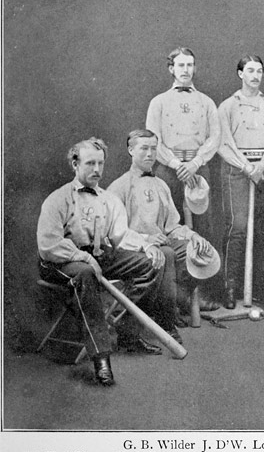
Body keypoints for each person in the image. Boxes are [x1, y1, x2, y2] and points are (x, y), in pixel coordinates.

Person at [37, 138, 176, 386]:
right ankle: (101, 358)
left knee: (151, 263)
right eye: (90, 163)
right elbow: (49, 246)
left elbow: (120, 236)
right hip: (60, 261)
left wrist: (147, 246)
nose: (97, 170)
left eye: (100, 163)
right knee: (86, 273)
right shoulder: (58, 199)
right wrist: (85, 257)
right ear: (74, 164)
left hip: (98, 256)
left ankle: (128, 332)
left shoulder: (108, 199)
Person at [107, 130, 220, 327]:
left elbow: (171, 226)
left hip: (162, 244)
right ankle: (163, 316)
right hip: (134, 248)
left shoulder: (161, 185)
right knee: (167, 253)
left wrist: (193, 236)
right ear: (130, 150)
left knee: (195, 250)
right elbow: (114, 233)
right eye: (144, 149)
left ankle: (174, 300)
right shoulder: (119, 187)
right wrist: (146, 240)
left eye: (153, 149)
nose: (150, 154)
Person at [217, 55, 264, 309]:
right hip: (236, 170)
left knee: (261, 228)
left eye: (259, 71)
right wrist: (246, 167)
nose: (255, 76)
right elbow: (223, 142)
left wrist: (262, 166)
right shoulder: (228, 106)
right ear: (240, 74)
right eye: (250, 71)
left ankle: (256, 287)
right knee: (239, 227)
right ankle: (231, 287)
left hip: (262, 171)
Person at [145, 46, 221, 241]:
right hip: (169, 170)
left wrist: (195, 163)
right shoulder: (158, 102)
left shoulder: (206, 102)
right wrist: (176, 165)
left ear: (195, 68)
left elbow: (215, 137)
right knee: (169, 222)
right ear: (171, 69)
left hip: (198, 169)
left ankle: (204, 270)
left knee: (203, 224)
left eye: (189, 65)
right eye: (181, 65)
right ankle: (174, 271)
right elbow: (154, 140)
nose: (185, 70)